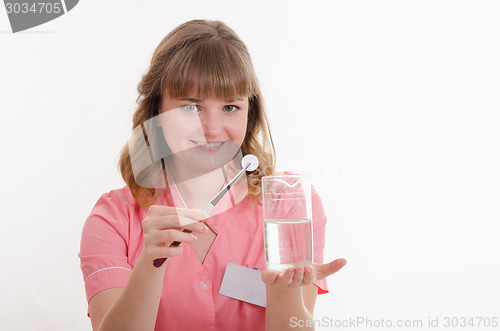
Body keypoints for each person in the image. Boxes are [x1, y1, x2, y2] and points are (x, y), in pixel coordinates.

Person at [79, 19, 346, 331]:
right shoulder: (112, 219)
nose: (213, 129)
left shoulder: (290, 205)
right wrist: (150, 266)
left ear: (250, 113)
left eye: (230, 107)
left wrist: (284, 294)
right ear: (157, 112)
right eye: (191, 107)